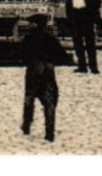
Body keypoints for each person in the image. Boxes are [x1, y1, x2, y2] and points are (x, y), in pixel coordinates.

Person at [19, 12, 71, 142]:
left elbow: (21, 56)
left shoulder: (28, 39)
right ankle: (49, 132)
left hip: (33, 71)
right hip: (48, 72)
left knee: (29, 99)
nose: (29, 25)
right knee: (49, 102)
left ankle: (26, 125)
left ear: (35, 25)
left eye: (31, 23)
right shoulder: (50, 39)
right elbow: (62, 56)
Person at [63, 0, 101, 74]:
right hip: (75, 16)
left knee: (90, 42)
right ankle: (82, 66)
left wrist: (92, 14)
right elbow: (68, 3)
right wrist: (69, 17)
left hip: (86, 15)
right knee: (77, 43)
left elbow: (97, 1)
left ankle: (93, 67)